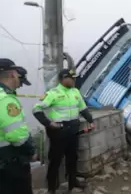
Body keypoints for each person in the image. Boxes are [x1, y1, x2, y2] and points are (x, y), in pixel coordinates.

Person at [32, 69, 95, 194]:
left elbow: (83, 108)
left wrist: (91, 120)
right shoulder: (52, 93)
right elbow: (36, 109)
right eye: (71, 78)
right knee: (55, 160)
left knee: (73, 157)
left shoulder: (75, 92)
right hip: (58, 132)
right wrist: (48, 123)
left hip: (73, 130)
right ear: (63, 79)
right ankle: (51, 189)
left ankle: (72, 183)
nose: (74, 80)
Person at [0, 58, 36, 194]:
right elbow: (17, 136)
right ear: (12, 74)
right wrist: (31, 151)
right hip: (10, 163)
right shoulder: (6, 99)